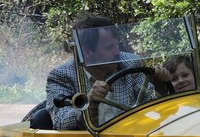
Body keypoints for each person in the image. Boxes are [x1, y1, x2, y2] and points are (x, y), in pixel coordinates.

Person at [24, 15, 167, 129]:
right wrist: (89, 102)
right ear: (86, 52)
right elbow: (60, 122)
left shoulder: (131, 63)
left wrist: (160, 86)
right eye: (109, 47)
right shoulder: (62, 76)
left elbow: (152, 107)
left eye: (116, 45)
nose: (117, 52)